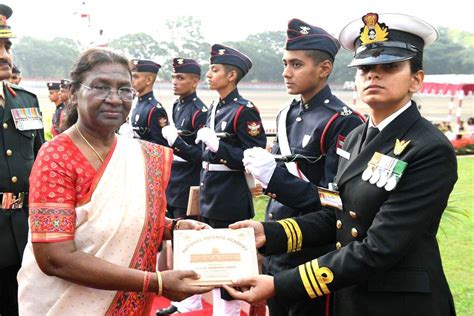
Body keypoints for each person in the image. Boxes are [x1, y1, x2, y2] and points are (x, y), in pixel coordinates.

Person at [225, 12, 457, 316]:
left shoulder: (428, 148)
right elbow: (336, 213)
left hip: (398, 303)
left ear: (417, 79)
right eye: (364, 68)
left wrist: (281, 285)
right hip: (350, 296)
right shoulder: (356, 138)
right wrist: (269, 232)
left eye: (389, 67)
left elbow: (379, 247)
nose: (373, 75)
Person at [17, 48, 213, 315]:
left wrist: (174, 227)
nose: (114, 99)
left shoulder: (138, 153)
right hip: (65, 305)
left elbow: (125, 218)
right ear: (74, 93)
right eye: (101, 87)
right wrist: (155, 282)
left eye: (124, 90)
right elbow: (55, 258)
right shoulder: (57, 157)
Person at [242, 18, 364, 316]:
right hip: (275, 242)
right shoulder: (287, 114)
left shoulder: (342, 121)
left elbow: (335, 202)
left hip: (311, 252)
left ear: (324, 69)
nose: (286, 72)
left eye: (296, 64)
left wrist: (275, 179)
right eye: (285, 63)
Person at [195, 44, 266, 316]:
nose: (209, 75)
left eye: (215, 70)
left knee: (231, 260)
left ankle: (232, 310)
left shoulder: (242, 110)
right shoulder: (214, 107)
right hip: (211, 191)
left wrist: (219, 148)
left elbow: (253, 157)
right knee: (215, 258)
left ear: (232, 75)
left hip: (230, 195)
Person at [0, 5, 45, 315]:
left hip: (24, 230)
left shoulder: (26, 101)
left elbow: (42, 163)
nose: (5, 55)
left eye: (6, 46)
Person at [157, 58, 208, 315]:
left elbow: (200, 155)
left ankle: (192, 296)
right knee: (177, 238)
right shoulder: (177, 106)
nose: (175, 82)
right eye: (174, 77)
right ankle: (185, 296)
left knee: (188, 238)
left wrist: (176, 142)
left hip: (188, 179)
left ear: (195, 81)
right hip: (174, 179)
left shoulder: (200, 111)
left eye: (181, 78)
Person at [130, 59, 169, 146]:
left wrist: (133, 141)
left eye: (135, 77)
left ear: (148, 80)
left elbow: (161, 145)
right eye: (131, 76)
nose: (131, 80)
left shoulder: (155, 109)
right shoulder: (135, 103)